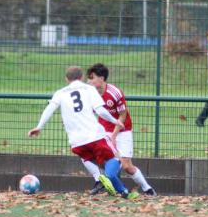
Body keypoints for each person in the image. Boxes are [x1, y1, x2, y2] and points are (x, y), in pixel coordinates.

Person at [28, 66, 138, 199]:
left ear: (66, 79)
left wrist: (39, 126)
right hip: (95, 136)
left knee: (91, 159)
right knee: (116, 158)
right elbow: (100, 110)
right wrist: (115, 121)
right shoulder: (89, 89)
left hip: (77, 143)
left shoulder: (60, 92)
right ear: (81, 78)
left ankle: (104, 180)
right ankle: (110, 180)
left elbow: (49, 109)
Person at [86, 63, 157, 197]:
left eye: (92, 78)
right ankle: (106, 183)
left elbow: (123, 114)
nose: (88, 81)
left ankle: (148, 189)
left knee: (127, 166)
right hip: (104, 130)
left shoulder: (114, 93)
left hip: (123, 129)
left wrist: (114, 135)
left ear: (101, 78)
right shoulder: (89, 94)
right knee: (94, 156)